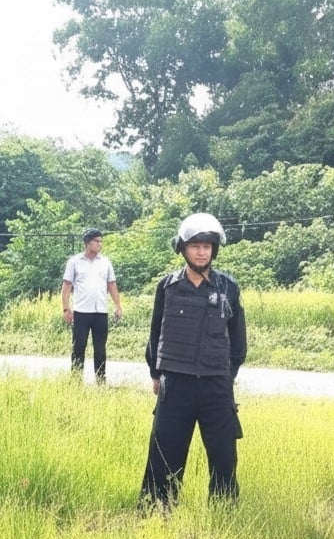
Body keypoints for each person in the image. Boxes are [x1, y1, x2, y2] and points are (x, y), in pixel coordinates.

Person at [139, 213, 247, 511]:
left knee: (224, 457)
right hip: (175, 384)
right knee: (164, 454)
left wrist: (226, 378)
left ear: (214, 250)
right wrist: (155, 373)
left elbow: (238, 341)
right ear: (183, 249)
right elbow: (156, 332)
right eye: (195, 246)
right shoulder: (168, 286)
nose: (202, 252)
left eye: (207, 246)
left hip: (216, 385)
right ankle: (158, 511)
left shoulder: (228, 287)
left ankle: (223, 512)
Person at [61, 228, 122, 383]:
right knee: (78, 346)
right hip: (81, 311)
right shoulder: (74, 262)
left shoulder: (105, 262)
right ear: (87, 242)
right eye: (96, 241)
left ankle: (101, 381)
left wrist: (118, 306)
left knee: (100, 348)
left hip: (100, 311)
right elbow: (67, 285)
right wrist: (66, 308)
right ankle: (75, 380)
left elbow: (112, 284)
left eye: (101, 241)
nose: (99, 244)